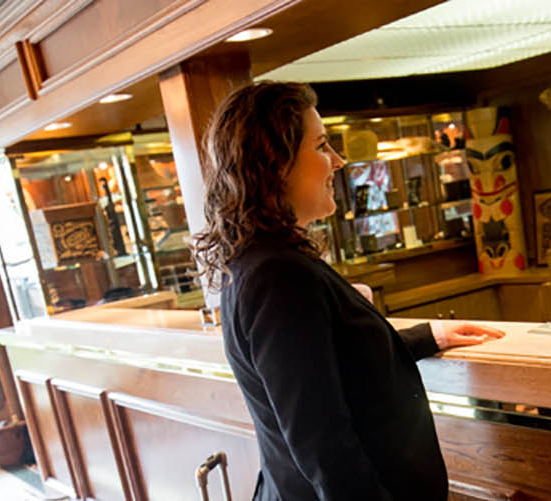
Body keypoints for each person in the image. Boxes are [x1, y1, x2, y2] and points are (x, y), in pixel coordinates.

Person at [191, 81, 505, 501]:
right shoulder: (278, 274)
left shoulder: (264, 261)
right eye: (321, 146)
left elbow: (333, 361)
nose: (338, 161)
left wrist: (430, 336)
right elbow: (325, 447)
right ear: (274, 162)